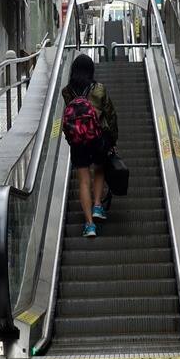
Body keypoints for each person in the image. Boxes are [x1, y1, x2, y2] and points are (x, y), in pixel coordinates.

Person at [62, 54, 118, 238]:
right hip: (98, 138)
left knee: (83, 181)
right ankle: (97, 205)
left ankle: (89, 225)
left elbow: (70, 118)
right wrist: (113, 140)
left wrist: (71, 140)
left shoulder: (67, 91)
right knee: (100, 169)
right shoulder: (99, 89)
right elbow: (110, 115)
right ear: (91, 70)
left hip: (78, 142)